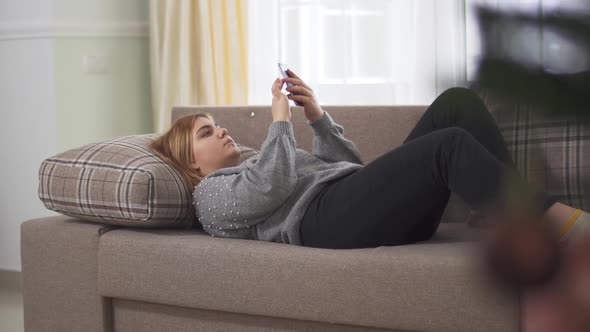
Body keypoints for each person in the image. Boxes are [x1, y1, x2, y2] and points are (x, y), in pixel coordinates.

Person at [149, 69, 589, 284]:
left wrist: (316, 116)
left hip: (349, 201)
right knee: (448, 145)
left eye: (215, 124)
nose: (221, 129)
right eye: (207, 132)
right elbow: (271, 186)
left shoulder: (254, 161)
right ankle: (547, 221)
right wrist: (280, 120)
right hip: (325, 223)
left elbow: (346, 167)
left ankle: (503, 211)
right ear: (191, 162)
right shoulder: (209, 196)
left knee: (456, 103)